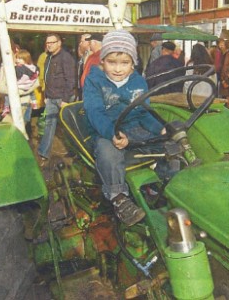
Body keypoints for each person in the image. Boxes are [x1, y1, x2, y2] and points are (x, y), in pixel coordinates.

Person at [83, 29, 165, 226]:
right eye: (112, 62)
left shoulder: (138, 81)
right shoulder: (94, 81)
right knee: (108, 152)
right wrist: (113, 133)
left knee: (167, 143)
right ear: (102, 62)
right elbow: (95, 112)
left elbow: (144, 113)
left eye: (125, 63)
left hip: (134, 128)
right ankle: (118, 197)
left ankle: (161, 184)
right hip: (105, 130)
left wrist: (161, 129)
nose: (118, 69)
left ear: (133, 63)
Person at [38, 33, 76, 163]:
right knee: (49, 124)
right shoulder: (48, 58)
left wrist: (65, 100)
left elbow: (71, 80)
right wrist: (46, 96)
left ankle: (74, 152)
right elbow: (47, 78)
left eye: (52, 42)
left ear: (59, 43)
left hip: (62, 98)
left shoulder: (66, 58)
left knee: (68, 127)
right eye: (47, 43)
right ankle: (43, 153)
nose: (49, 45)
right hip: (51, 98)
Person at [0, 49, 39, 119]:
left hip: (24, 101)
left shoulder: (22, 68)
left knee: (22, 123)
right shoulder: (4, 68)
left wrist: (19, 90)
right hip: (12, 102)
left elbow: (35, 83)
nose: (17, 60)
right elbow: (2, 85)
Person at [76, 33, 91, 99]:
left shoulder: (92, 55)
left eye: (82, 42)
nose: (80, 44)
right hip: (81, 88)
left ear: (88, 42)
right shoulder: (84, 55)